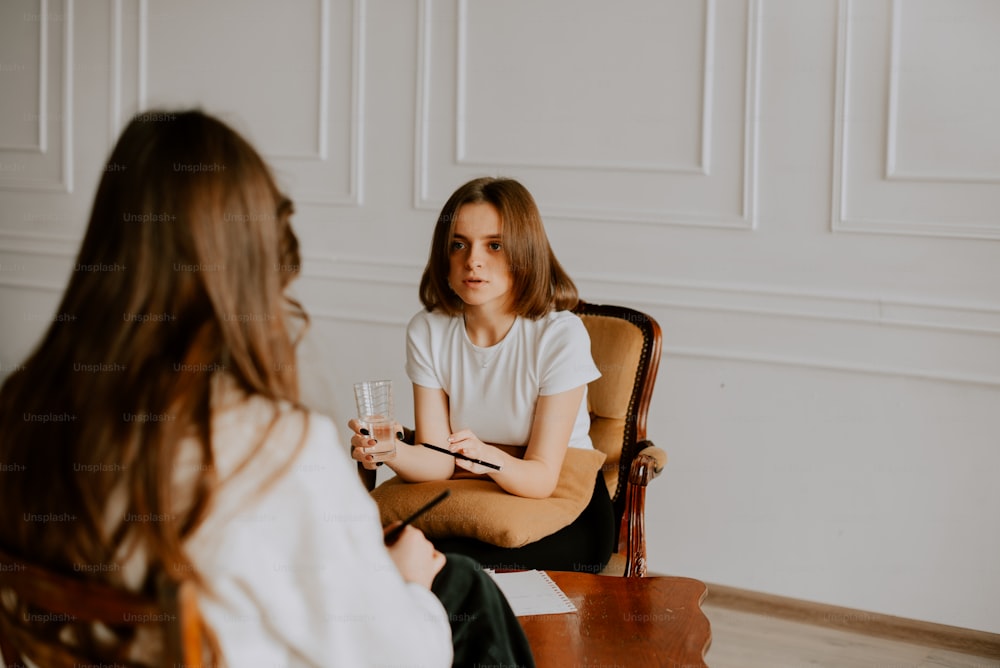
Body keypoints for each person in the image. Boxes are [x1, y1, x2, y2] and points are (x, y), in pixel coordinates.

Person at [0, 111, 533, 667]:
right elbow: (400, 655)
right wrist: (406, 585)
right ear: (253, 257)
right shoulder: (269, 445)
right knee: (460, 587)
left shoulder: (25, 415)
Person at [351, 177, 615, 572]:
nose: (473, 260)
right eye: (459, 244)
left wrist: (486, 457)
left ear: (524, 251)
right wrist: (392, 451)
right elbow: (439, 461)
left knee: (444, 567)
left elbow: (542, 478)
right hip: (469, 492)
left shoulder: (560, 335)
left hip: (562, 504)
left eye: (495, 245)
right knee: (377, 552)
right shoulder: (429, 330)